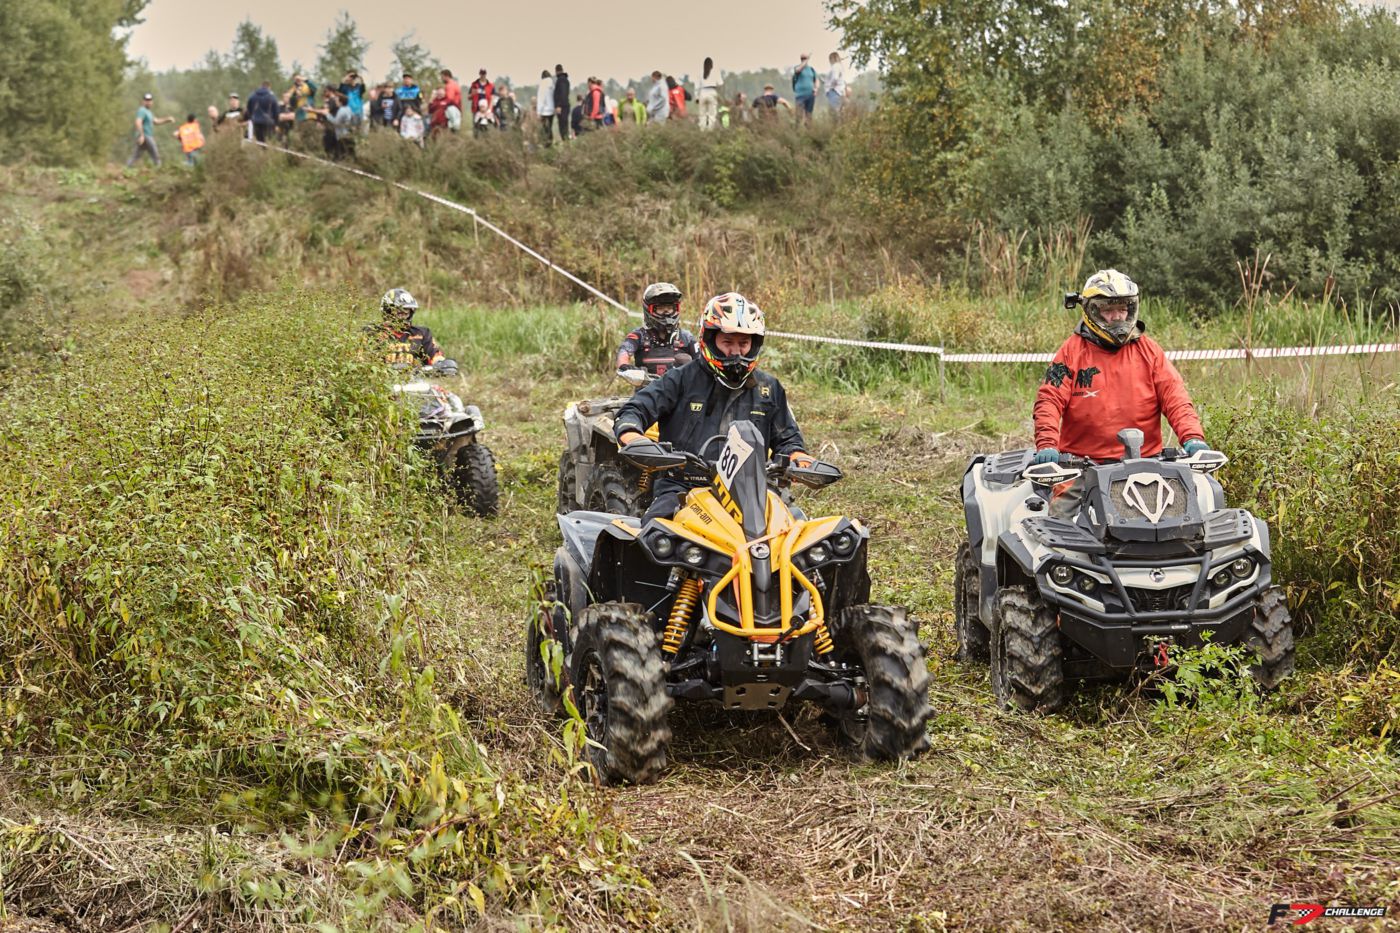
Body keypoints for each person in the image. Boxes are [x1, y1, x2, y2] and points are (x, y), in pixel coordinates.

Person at [615, 292, 813, 522]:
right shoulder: (680, 379)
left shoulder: (769, 388)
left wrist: (799, 458)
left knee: (799, 530)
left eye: (744, 343)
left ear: (754, 344)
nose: (736, 351)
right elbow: (634, 410)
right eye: (728, 342)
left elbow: (788, 439)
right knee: (656, 531)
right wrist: (633, 437)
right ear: (709, 339)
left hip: (754, 492)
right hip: (684, 488)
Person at [1033, 270, 1210, 515]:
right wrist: (1047, 445)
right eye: (1108, 309)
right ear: (1092, 310)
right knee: (1060, 522)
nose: (1117, 316)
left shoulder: (1149, 351)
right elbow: (1049, 399)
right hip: (1082, 467)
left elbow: (1175, 397)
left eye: (1123, 308)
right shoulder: (1070, 352)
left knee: (1189, 516)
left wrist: (1193, 439)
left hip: (1147, 464)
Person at [615, 283, 700, 377]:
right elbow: (624, 352)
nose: (666, 313)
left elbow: (702, 361)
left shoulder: (687, 337)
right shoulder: (639, 336)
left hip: (680, 386)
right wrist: (624, 366)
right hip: (647, 385)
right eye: (660, 308)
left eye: (669, 308)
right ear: (649, 310)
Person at [367, 288, 456, 372]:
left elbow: (435, 356)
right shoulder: (371, 332)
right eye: (399, 312)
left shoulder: (421, 334)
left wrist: (442, 364)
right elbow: (362, 359)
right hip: (382, 380)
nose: (403, 316)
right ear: (387, 311)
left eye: (406, 312)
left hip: (416, 380)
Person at [126, 93, 173, 167]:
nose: (148, 102)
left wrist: (167, 119)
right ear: (143, 101)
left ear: (152, 102)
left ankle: (127, 168)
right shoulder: (142, 110)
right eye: (146, 100)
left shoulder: (149, 112)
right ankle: (158, 169)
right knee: (155, 154)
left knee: (136, 156)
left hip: (145, 136)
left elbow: (156, 121)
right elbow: (138, 122)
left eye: (150, 100)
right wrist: (141, 135)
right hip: (146, 135)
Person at [697, 57, 722, 130]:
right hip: (712, 92)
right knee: (712, 114)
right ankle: (710, 129)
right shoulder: (716, 72)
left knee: (702, 114)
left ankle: (702, 129)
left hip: (702, 92)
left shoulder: (701, 73)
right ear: (712, 65)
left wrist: (697, 97)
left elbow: (697, 86)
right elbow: (720, 84)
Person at [792, 53, 818, 121]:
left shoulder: (811, 69)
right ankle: (798, 127)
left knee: (809, 115)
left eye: (805, 58)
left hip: (810, 95)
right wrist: (806, 60)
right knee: (799, 115)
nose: (804, 59)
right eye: (802, 58)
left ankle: (808, 127)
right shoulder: (797, 67)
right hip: (800, 95)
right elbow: (798, 70)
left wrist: (816, 89)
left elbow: (816, 80)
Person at [552, 64, 571, 143]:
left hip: (562, 107)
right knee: (564, 126)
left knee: (563, 126)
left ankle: (566, 142)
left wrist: (559, 106)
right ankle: (566, 142)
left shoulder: (561, 80)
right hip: (565, 106)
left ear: (556, 71)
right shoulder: (564, 80)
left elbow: (562, 94)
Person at [536, 69, 556, 145]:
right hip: (552, 109)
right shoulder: (552, 84)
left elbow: (541, 98)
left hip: (544, 111)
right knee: (550, 127)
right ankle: (550, 141)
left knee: (544, 128)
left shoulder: (542, 84)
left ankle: (546, 143)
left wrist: (539, 112)